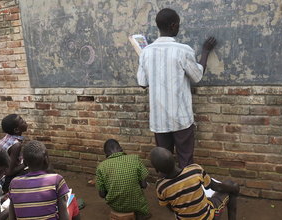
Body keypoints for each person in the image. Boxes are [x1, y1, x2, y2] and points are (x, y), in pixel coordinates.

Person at [137, 8, 217, 168]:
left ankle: (168, 191)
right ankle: (188, 190)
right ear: (173, 26)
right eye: (178, 25)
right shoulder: (183, 50)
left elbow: (142, 82)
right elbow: (197, 76)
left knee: (164, 163)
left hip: (159, 120)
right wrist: (205, 52)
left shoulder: (145, 52)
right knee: (186, 161)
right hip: (180, 119)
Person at [150, 147, 239, 220]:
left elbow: (170, 207)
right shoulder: (194, 170)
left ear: (157, 170)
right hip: (207, 217)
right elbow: (217, 187)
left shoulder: (161, 186)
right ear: (174, 158)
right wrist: (234, 188)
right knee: (230, 185)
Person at [9, 140, 80, 220]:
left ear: (25, 162)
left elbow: (12, 217)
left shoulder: (14, 183)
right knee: (72, 201)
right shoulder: (57, 179)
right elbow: (64, 216)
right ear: (46, 160)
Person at [96, 139, 150, 219]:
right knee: (142, 207)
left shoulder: (101, 167)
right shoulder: (135, 159)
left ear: (106, 155)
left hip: (116, 206)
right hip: (137, 204)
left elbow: (102, 194)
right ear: (121, 149)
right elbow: (144, 185)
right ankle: (141, 214)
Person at [0, 114, 28, 192]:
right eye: (22, 121)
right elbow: (9, 172)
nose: (25, 122)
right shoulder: (16, 145)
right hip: (4, 180)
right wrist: (26, 163)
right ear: (16, 130)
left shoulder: (7, 137)